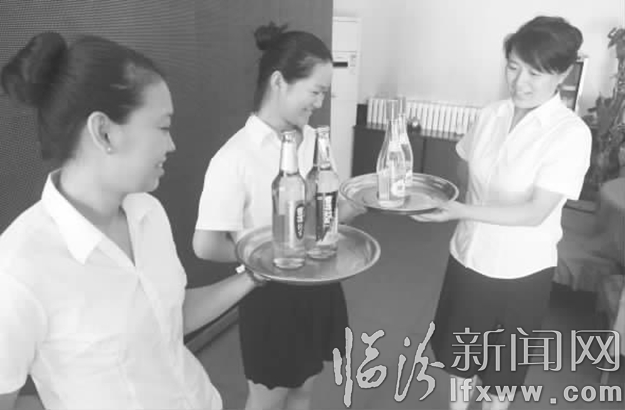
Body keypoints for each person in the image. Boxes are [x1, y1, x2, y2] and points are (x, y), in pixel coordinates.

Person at [0, 32, 262, 410]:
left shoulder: (148, 212)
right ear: (104, 131)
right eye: (163, 127)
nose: (172, 144)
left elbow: (170, 315)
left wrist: (255, 274)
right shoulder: (18, 270)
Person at [412, 16, 591, 410]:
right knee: (460, 362)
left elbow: (535, 212)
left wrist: (461, 209)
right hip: (468, 257)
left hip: (519, 273)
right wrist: (447, 199)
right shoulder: (491, 114)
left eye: (535, 73)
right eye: (513, 67)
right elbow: (464, 164)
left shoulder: (569, 133)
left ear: (562, 74)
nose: (519, 82)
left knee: (500, 377)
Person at [193, 23, 363, 410]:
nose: (319, 102)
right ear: (279, 82)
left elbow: (324, 220)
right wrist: (269, 257)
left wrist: (353, 207)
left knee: (303, 389)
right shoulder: (234, 157)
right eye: (315, 91)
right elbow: (205, 246)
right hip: (268, 296)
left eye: (324, 93)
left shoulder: (313, 141)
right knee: (267, 400)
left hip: (319, 283)